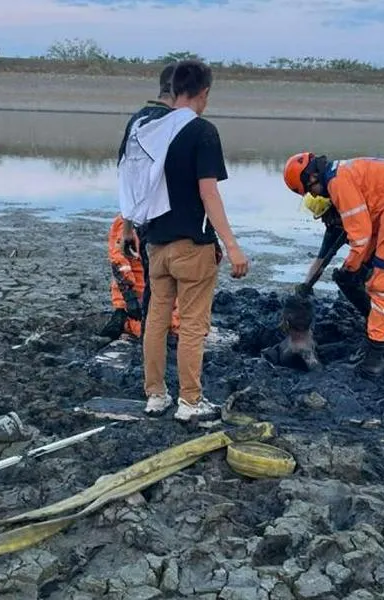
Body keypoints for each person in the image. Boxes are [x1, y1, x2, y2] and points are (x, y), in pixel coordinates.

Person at [122, 59, 249, 420]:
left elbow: (133, 183)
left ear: (172, 88)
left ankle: (155, 395)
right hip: (193, 246)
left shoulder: (145, 128)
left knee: (156, 320)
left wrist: (129, 230)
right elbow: (209, 194)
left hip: (155, 245)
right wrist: (232, 245)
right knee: (193, 325)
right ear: (203, 93)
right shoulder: (201, 131)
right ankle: (190, 402)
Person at [284, 154, 384, 377]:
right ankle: (377, 330)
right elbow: (323, 257)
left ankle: (375, 357)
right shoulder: (339, 184)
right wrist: (305, 286)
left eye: (310, 190)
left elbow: (361, 236)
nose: (313, 194)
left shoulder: (339, 185)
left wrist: (350, 267)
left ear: (313, 177)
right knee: (354, 278)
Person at [117, 63, 177, 334]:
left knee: (154, 288)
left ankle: (152, 342)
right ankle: (166, 338)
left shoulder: (138, 121)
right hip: (175, 225)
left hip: (145, 225)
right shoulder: (178, 123)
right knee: (173, 291)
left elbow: (128, 175)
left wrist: (127, 229)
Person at [100, 214, 180, 340]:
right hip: (136, 298)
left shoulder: (158, 220)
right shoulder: (125, 224)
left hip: (154, 290)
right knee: (163, 329)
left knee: (189, 323)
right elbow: (119, 263)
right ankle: (125, 320)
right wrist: (130, 298)